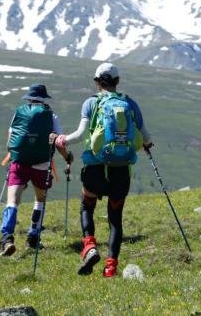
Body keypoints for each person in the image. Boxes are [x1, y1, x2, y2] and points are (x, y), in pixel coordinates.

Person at [51, 62, 153, 277]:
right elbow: (146, 137)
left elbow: (80, 135)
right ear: (117, 81)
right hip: (121, 171)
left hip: (95, 169)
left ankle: (89, 246)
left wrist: (60, 140)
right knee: (115, 220)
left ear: (97, 82)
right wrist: (145, 144)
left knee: (86, 206)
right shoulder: (130, 104)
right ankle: (111, 268)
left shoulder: (91, 103)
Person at [0, 84, 64, 257]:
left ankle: (7, 238)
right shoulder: (51, 115)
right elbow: (59, 141)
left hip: (19, 162)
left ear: (29, 98)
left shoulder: (19, 112)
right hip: (41, 163)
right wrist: (67, 157)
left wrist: (14, 155)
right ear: (44, 99)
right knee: (40, 199)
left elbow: (10, 140)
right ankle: (33, 236)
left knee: (12, 200)